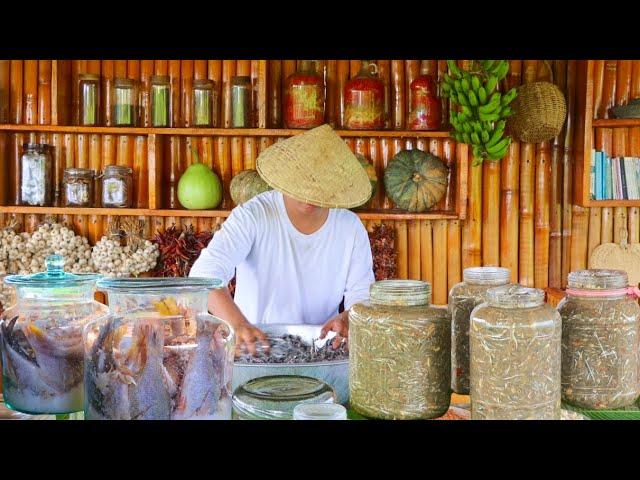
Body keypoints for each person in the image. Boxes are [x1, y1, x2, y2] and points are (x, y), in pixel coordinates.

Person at [189, 124, 375, 354]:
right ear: (285, 176)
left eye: (320, 185)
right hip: (255, 349)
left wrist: (348, 318)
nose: (310, 195)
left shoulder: (350, 228)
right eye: (303, 183)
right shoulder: (254, 215)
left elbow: (363, 297)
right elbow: (204, 276)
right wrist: (239, 325)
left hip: (319, 352)